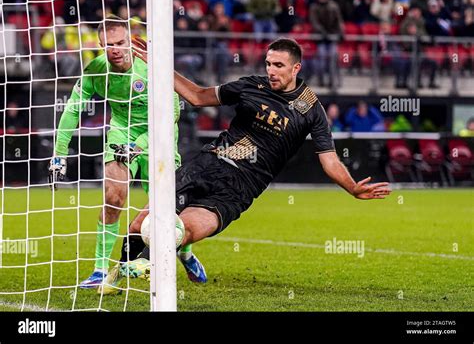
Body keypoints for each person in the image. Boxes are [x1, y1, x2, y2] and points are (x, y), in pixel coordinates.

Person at [122, 38, 392, 279]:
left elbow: (330, 160)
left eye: (278, 65)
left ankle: (170, 256)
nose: (271, 70)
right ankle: (115, 275)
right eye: (268, 64)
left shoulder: (311, 109)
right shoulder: (251, 85)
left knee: (178, 232)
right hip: (208, 164)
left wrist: (352, 187)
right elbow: (197, 96)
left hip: (240, 187)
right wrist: (160, 67)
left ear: (296, 68)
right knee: (139, 225)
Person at [48, 16, 203, 289]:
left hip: (160, 135)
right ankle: (99, 269)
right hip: (121, 132)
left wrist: (140, 145)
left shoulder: (151, 67)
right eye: (109, 45)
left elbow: (172, 113)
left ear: (130, 41)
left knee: (165, 207)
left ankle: (185, 252)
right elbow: (72, 108)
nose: (116, 49)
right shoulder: (96, 70)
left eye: (121, 42)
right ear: (100, 45)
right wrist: (59, 154)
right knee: (113, 197)